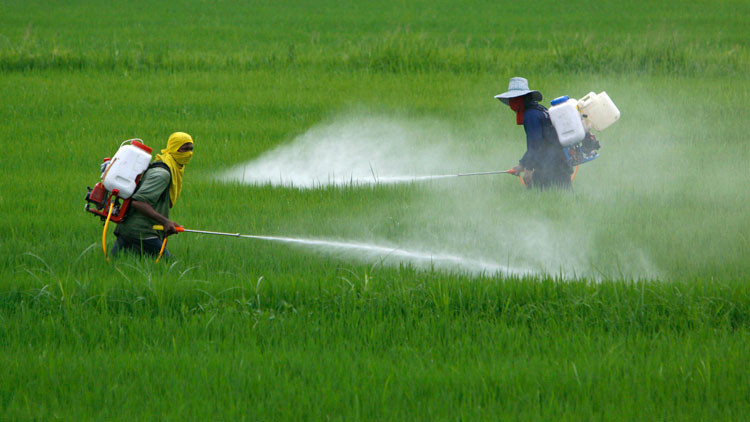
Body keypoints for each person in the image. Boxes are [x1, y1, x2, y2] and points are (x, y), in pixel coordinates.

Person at [112, 132, 194, 257]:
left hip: (131, 230)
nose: (189, 153)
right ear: (173, 148)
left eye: (191, 149)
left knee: (120, 264)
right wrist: (165, 222)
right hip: (142, 232)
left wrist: (166, 223)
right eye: (184, 149)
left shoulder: (170, 168)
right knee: (168, 268)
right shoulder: (162, 174)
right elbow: (138, 202)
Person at [495, 77, 572, 189]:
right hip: (560, 162)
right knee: (563, 199)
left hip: (549, 166)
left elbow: (536, 145)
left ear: (522, 98)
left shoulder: (530, 116)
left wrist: (529, 170)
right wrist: (521, 165)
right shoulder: (539, 109)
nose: (512, 103)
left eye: (515, 98)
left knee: (540, 200)